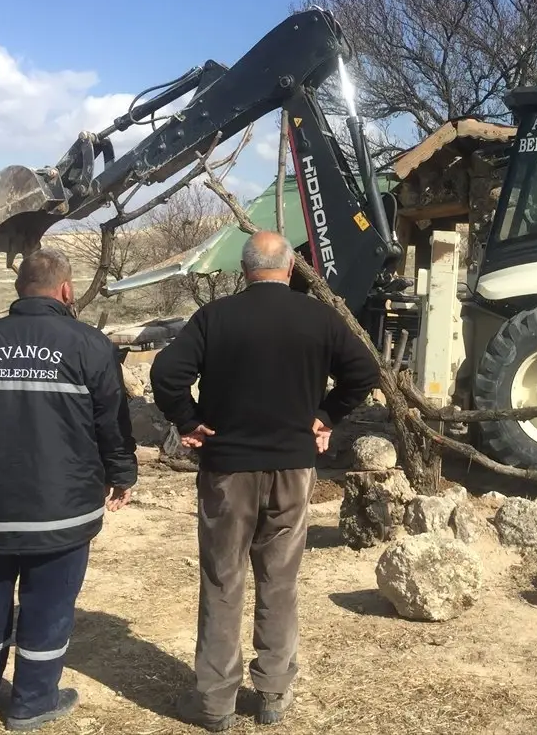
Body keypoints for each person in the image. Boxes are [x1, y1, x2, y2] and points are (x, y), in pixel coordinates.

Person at [150, 230, 379, 732]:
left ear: (245, 269)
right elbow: (364, 370)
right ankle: (273, 693)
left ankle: (215, 704)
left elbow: (167, 374)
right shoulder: (319, 318)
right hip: (293, 468)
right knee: (279, 580)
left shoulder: (215, 318)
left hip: (227, 469)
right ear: (291, 269)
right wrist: (327, 416)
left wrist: (188, 422)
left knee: (222, 580)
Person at [0, 247, 137, 732]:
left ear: (18, 288)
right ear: (66, 290)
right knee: (48, 606)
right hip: (61, 512)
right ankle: (31, 701)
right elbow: (111, 423)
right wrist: (122, 473)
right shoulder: (89, 345)